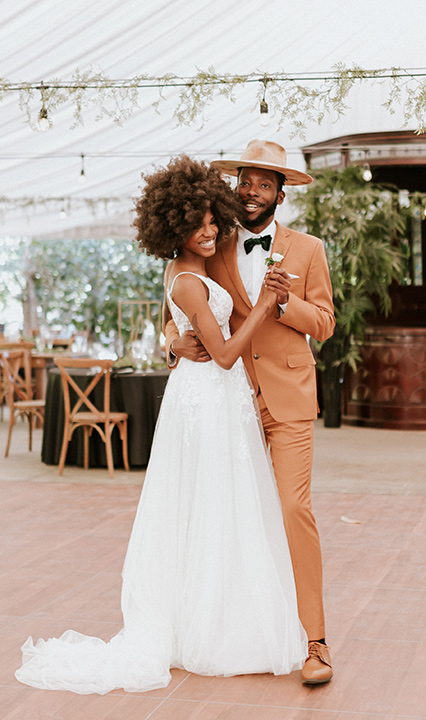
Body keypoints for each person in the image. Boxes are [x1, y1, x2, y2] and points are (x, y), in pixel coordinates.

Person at [15, 155, 308, 695]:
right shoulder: (191, 274)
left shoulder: (215, 260)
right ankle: (212, 625)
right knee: (217, 502)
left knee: (229, 503)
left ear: (279, 194)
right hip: (213, 394)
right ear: (174, 225)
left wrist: (178, 336)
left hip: (245, 396)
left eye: (212, 221)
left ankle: (225, 612)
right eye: (197, 223)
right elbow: (215, 350)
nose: (210, 230)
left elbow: (310, 319)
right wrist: (263, 305)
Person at [164, 140, 336, 685]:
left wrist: (283, 302)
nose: (252, 192)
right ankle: (236, 628)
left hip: (286, 401)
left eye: (265, 184)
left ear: (281, 194)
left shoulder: (307, 249)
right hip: (228, 402)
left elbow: (326, 322)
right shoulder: (211, 243)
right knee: (229, 512)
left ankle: (315, 641)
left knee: (291, 509)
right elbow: (174, 303)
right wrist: (171, 341)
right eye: (246, 181)